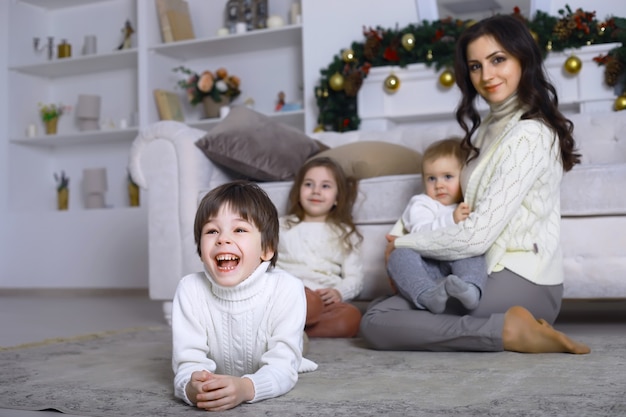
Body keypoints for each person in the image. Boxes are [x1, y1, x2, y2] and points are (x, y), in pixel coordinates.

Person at [359, 14, 590, 354]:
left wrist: (408, 243)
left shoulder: (530, 134)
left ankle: (507, 331)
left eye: (498, 60)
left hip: (523, 279)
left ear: (523, 59)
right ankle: (507, 329)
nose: (487, 75)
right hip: (478, 268)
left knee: (378, 321)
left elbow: (477, 235)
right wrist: (401, 238)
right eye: (475, 66)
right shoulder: (485, 130)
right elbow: (447, 199)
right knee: (382, 313)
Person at [171, 180, 317, 412]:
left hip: (271, 335)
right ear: (200, 251)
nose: (222, 239)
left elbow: (281, 368)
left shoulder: (287, 288)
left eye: (239, 229)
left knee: (288, 350)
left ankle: (297, 342)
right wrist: (191, 387)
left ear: (266, 249)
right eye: (211, 231)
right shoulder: (189, 290)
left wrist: (247, 387)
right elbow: (187, 362)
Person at [388, 137, 487, 314]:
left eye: (447, 177)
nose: (439, 185)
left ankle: (470, 289)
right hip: (428, 266)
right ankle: (427, 294)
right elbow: (419, 232)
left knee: (473, 250)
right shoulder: (422, 203)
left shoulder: (467, 204)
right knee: (399, 256)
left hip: (455, 267)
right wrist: (451, 219)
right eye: (431, 178)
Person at [276, 157, 364, 338]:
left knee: (351, 317)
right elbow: (265, 263)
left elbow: (355, 277)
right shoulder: (281, 226)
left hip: (324, 303)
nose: (316, 191)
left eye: (325, 186)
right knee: (308, 301)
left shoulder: (345, 233)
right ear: (298, 191)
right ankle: (289, 328)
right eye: (309, 184)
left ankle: (293, 333)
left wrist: (339, 292)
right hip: (288, 295)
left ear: (338, 198)